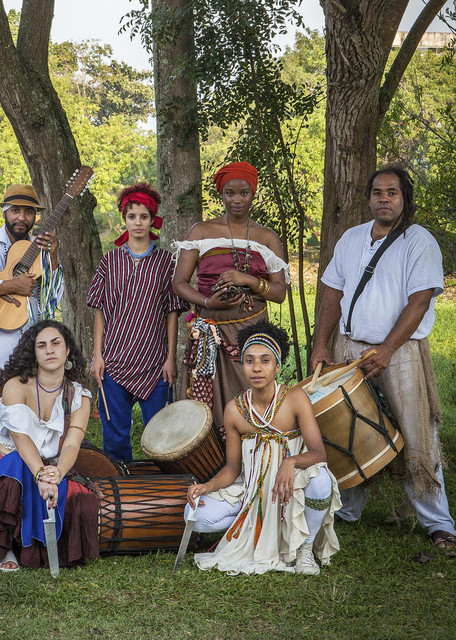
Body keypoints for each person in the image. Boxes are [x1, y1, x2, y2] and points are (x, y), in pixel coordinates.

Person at [311, 164, 455, 552]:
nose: (384, 199)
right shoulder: (351, 238)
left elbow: (419, 301)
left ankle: (439, 524)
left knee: (417, 434)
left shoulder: (419, 241)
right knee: (347, 428)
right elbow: (333, 294)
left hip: (401, 352)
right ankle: (346, 511)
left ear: (405, 199)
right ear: (369, 198)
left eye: (392, 192)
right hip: (349, 347)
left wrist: (387, 350)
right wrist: (321, 344)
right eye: (378, 192)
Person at [0, 320, 99, 572]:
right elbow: (21, 439)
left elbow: (72, 444)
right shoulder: (16, 386)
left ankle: (29, 544)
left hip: (51, 468)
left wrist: (57, 473)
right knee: (15, 465)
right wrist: (40, 475)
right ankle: (5, 547)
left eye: (56, 343)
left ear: (68, 351)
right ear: (33, 353)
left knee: (80, 499)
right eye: (41, 345)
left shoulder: (79, 396)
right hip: (8, 469)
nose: (49, 350)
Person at [186, 321, 340, 575]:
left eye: (265, 360)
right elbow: (232, 467)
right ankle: (253, 527)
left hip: (290, 489)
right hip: (252, 491)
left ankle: (304, 548)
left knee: (321, 481)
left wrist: (290, 462)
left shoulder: (295, 398)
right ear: (242, 365)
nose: (257, 368)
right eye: (249, 361)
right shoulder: (234, 410)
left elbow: (318, 453)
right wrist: (207, 486)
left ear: (277, 366)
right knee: (195, 515)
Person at [172, 162, 289, 438]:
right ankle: (213, 459)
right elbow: (179, 283)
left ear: (253, 193)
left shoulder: (266, 237)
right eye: (230, 193)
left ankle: (255, 454)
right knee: (206, 403)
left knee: (251, 396)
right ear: (221, 195)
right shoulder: (201, 232)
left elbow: (279, 293)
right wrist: (208, 303)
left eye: (244, 193)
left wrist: (248, 280)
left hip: (251, 333)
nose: (237, 200)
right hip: (209, 335)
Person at [87, 183, 186, 462]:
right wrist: (98, 355)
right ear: (125, 219)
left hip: (154, 363)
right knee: (115, 437)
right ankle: (120, 482)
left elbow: (172, 313)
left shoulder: (166, 263)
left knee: (160, 434)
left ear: (153, 219)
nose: (138, 222)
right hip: (113, 361)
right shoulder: (109, 262)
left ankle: (159, 482)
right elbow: (99, 312)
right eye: (132, 216)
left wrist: (170, 358)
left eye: (144, 216)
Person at [0, 184, 63, 368]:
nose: (22, 217)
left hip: (31, 350)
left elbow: (52, 301)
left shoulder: (42, 250)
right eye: (15, 211)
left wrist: (53, 257)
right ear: (4, 213)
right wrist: (12, 286)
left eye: (28, 212)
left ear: (35, 217)